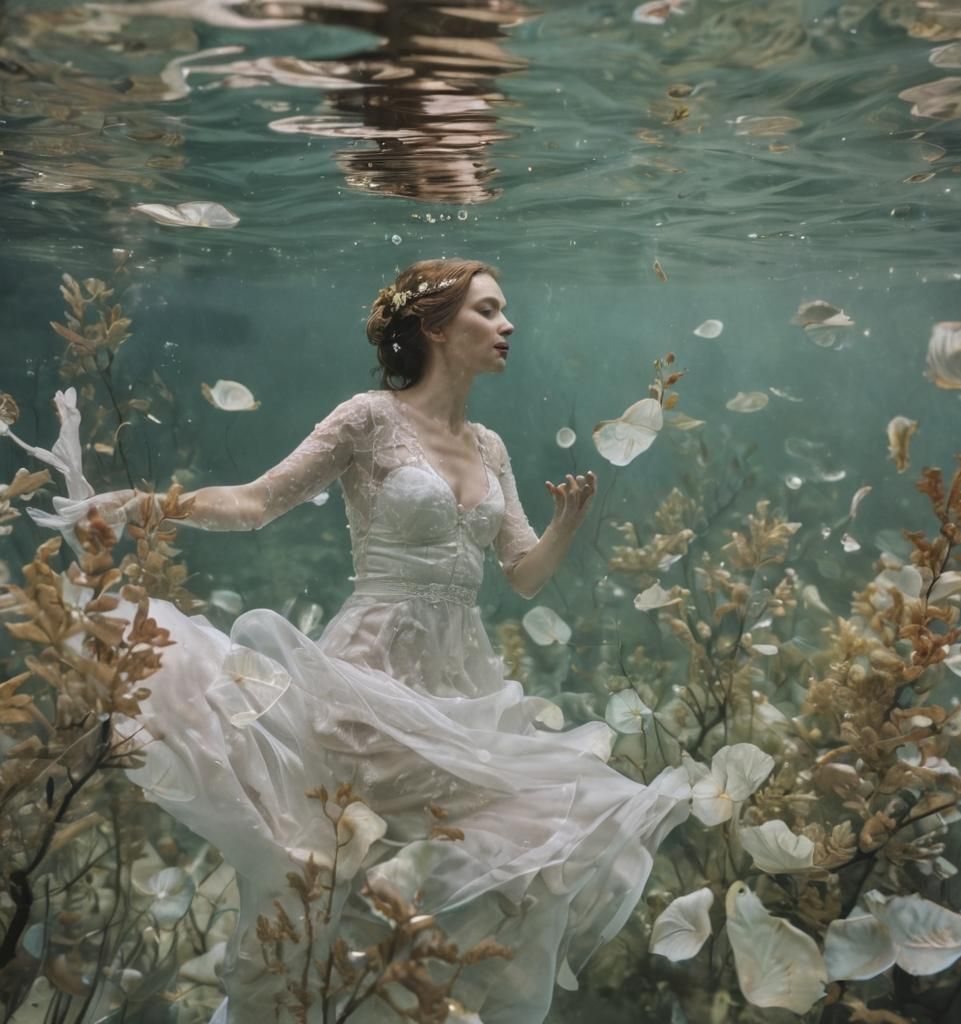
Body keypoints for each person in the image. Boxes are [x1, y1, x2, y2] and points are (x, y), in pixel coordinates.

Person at [22, 259, 691, 1023]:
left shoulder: (492, 447)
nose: (508, 326)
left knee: (514, 854)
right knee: (322, 864)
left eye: (506, 312)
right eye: (489, 310)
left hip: (460, 683)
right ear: (436, 327)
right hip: (371, 670)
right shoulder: (368, 418)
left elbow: (523, 575)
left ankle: (386, 1003)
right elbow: (256, 503)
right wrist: (152, 504)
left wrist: (567, 526)